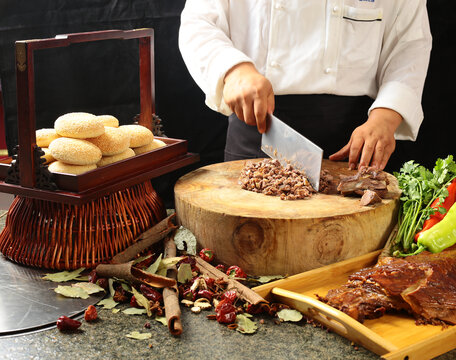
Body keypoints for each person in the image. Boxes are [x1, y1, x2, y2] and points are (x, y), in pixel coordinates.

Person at [178, 1, 432, 171]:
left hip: (357, 142)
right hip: (260, 128)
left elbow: (410, 45)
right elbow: (199, 22)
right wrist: (234, 70)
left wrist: (386, 118)